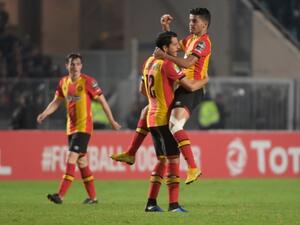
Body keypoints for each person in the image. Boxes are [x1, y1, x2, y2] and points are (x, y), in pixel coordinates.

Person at [111, 7, 211, 184]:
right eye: (189, 20)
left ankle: (193, 168)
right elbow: (173, 47)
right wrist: (166, 29)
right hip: (181, 86)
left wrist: (164, 55)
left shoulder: (203, 42)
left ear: (205, 24)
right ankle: (131, 153)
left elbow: (187, 63)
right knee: (146, 111)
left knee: (174, 124)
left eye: (194, 21)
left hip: (192, 89)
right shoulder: (190, 39)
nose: (190, 23)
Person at [37, 53, 121, 204]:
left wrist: (112, 120)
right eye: (72, 64)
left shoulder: (88, 82)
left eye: (77, 64)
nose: (75, 67)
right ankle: (93, 198)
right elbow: (56, 102)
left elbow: (102, 101)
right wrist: (44, 113)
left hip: (84, 128)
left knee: (71, 157)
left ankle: (60, 195)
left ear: (81, 66)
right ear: (66, 66)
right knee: (82, 163)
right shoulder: (63, 82)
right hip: (71, 128)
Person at [141, 31, 208, 212]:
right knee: (173, 160)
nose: (178, 47)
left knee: (161, 160)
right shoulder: (168, 65)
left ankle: (151, 203)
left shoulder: (149, 62)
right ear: (165, 48)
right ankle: (173, 205)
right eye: (174, 45)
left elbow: (143, 91)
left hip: (151, 118)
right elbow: (191, 86)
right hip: (163, 117)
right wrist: (205, 80)